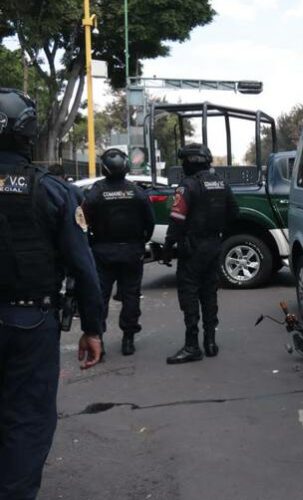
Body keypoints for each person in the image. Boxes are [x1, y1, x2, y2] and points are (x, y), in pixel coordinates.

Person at [0, 87, 103, 499]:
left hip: (31, 318)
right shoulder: (54, 191)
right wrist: (93, 329)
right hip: (31, 322)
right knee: (26, 420)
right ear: (28, 134)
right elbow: (84, 268)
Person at [163, 143, 238, 364]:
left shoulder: (187, 186)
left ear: (190, 162)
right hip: (214, 245)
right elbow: (234, 212)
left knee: (189, 295)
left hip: (192, 249)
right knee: (209, 293)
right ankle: (211, 343)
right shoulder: (222, 184)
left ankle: (192, 346)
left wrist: (168, 247)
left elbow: (176, 220)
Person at [82, 149, 155, 356]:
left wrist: (89, 243)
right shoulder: (137, 191)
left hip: (102, 252)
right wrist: (140, 242)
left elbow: (81, 220)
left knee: (100, 297)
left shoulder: (96, 192)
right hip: (132, 251)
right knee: (131, 296)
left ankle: (99, 340)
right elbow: (149, 222)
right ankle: (128, 339)